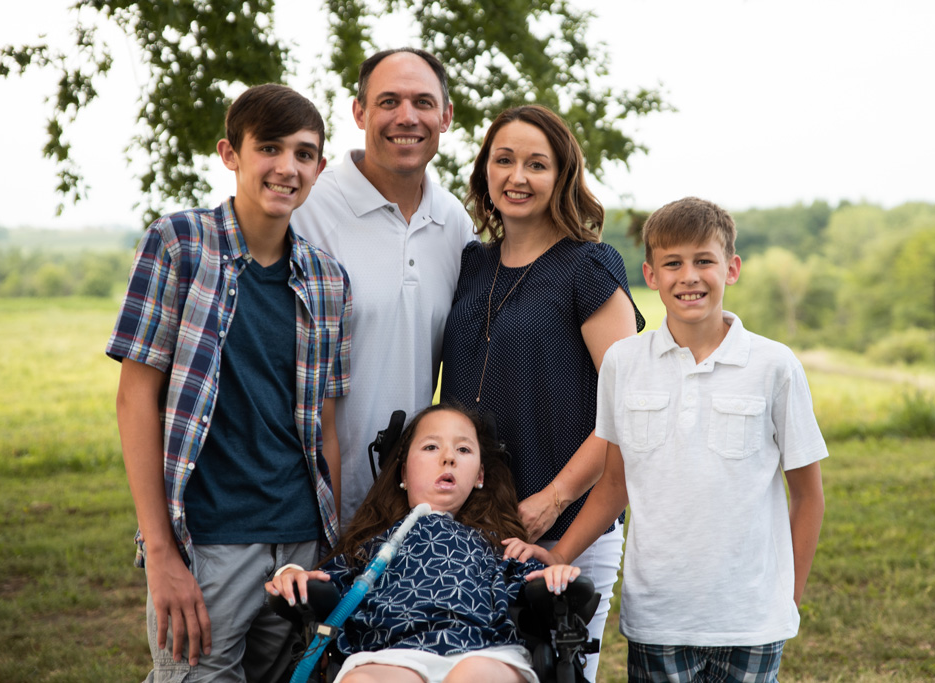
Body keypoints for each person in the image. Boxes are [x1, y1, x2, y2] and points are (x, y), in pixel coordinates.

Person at [507, 197, 828, 682]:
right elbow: (614, 485)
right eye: (672, 263)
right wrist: (559, 554)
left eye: (704, 261)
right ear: (651, 275)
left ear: (732, 268)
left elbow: (807, 496)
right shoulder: (623, 363)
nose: (689, 276)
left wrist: (788, 600)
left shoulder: (775, 366)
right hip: (658, 617)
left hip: (751, 619)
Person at [107, 84, 352, 682]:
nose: (286, 167)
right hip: (209, 544)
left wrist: (328, 555)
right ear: (230, 153)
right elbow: (136, 399)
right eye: (269, 147)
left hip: (299, 546)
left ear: (320, 166)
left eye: (304, 152)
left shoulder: (328, 281)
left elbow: (325, 431)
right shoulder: (179, 245)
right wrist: (161, 553)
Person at [438, 104, 642, 680]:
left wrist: (553, 500)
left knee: (558, 674)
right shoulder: (471, 264)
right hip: (474, 525)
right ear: (484, 173)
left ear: (563, 176)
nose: (517, 177)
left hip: (568, 524)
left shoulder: (589, 266)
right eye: (503, 160)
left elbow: (628, 405)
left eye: (536, 164)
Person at [291, 47, 477, 526]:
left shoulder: (454, 223)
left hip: (407, 506)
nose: (407, 117)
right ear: (359, 112)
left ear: (446, 116)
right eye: (389, 101)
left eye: (422, 102)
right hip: (299, 496)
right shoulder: (307, 208)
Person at [267, 404, 582, 683]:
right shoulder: (370, 547)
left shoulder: (497, 545)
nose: (448, 458)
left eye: (464, 450)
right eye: (431, 447)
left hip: (483, 650)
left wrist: (553, 575)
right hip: (389, 653)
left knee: (471, 676)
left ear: (480, 476)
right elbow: (326, 580)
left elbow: (538, 582)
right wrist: (293, 572)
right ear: (403, 471)